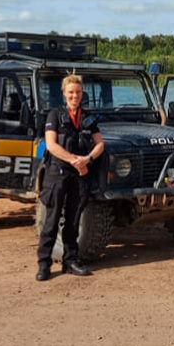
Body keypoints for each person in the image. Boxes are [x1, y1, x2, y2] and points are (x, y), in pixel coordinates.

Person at [36, 74, 104, 281]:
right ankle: (44, 264)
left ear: (82, 93)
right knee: (51, 220)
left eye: (78, 92)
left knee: (73, 220)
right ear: (64, 93)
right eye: (71, 92)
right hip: (57, 173)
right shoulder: (54, 115)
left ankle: (70, 261)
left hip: (80, 175)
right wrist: (75, 161)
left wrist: (88, 159)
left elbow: (100, 144)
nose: (75, 96)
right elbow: (51, 145)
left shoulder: (88, 118)